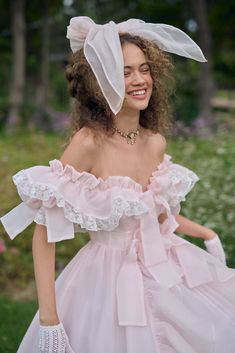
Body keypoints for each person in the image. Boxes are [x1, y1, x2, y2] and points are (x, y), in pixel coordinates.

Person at [1, 16, 235, 353]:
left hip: (162, 270)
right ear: (101, 81)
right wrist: (49, 320)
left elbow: (155, 217)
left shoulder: (155, 142)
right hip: (105, 281)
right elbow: (45, 234)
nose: (139, 80)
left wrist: (205, 233)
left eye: (144, 69)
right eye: (125, 72)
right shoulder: (88, 143)